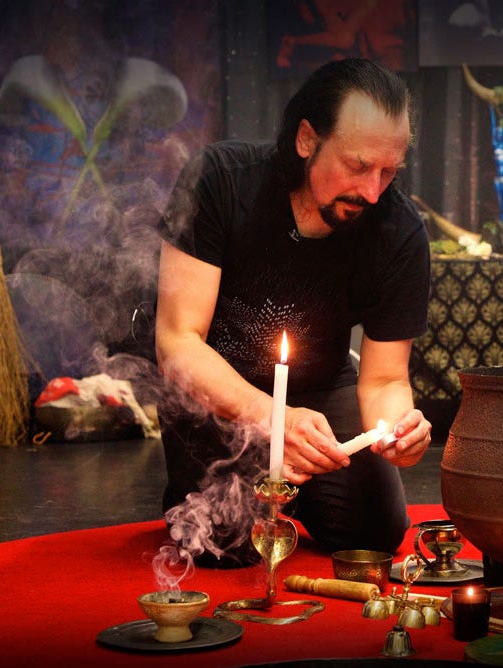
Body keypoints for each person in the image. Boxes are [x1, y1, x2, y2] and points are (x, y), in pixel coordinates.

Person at [155, 58, 432, 568]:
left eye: (389, 171)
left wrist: (397, 430)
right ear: (307, 139)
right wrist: (271, 418)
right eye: (357, 166)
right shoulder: (221, 181)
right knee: (222, 543)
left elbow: (385, 379)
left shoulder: (398, 231)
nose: (373, 192)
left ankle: (294, 490)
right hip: (218, 391)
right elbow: (178, 343)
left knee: (374, 534)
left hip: (321, 389)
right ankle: (256, 484)